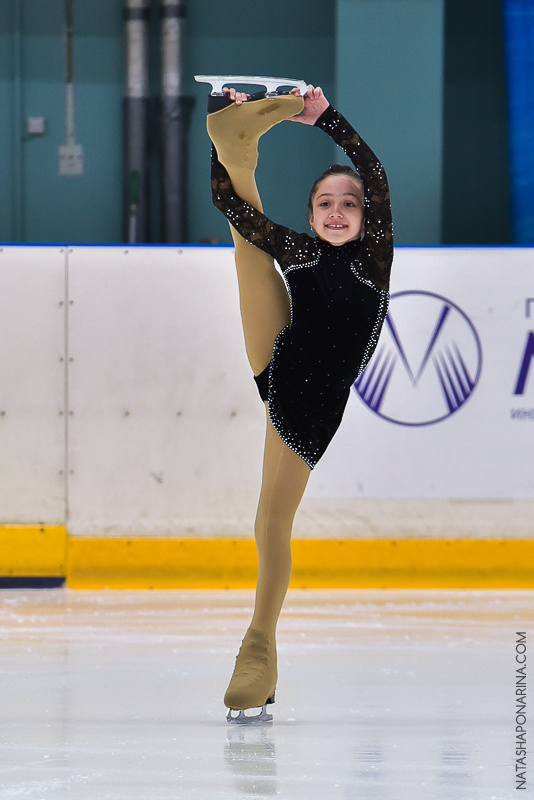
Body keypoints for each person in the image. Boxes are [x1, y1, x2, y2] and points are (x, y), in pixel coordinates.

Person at [204, 82, 393, 722]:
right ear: (310, 213)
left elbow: (375, 171)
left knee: (270, 521)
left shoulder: (374, 260)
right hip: (278, 357)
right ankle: (237, 142)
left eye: (348, 204)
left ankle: (260, 647)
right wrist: (223, 127)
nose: (337, 210)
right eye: (324, 203)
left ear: (368, 216)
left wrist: (326, 119)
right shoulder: (303, 249)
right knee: (246, 247)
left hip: (312, 404)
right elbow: (231, 207)